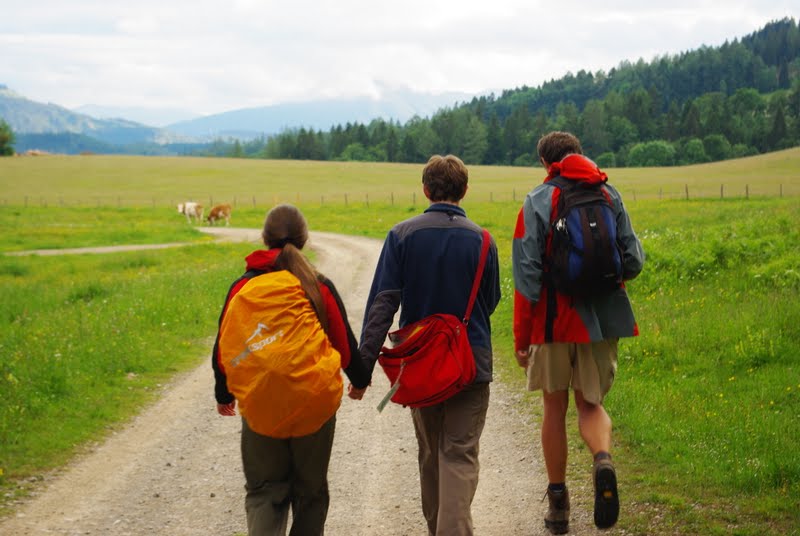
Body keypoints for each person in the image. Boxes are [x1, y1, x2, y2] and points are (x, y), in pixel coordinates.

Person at [353, 154, 501, 536]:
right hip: (470, 364)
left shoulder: (401, 235)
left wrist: (362, 369)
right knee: (459, 455)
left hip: (421, 367)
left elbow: (382, 304)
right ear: (464, 190)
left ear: (425, 190)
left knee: (431, 453)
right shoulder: (484, 241)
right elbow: (490, 300)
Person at [512, 131, 645, 534]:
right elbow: (633, 261)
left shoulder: (537, 200)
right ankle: (602, 459)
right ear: (579, 154)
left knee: (553, 408)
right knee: (590, 404)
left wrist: (522, 339)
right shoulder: (609, 194)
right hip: (600, 323)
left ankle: (558, 506)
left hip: (552, 324)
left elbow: (526, 278)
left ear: (545, 162)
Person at [212, 204, 370, 536]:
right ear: (304, 239)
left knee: (265, 491)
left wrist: (224, 393)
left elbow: (225, 345)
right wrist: (359, 381)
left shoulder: (242, 287)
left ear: (264, 238)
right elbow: (344, 343)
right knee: (311, 492)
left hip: (262, 403)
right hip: (314, 402)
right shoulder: (317, 285)